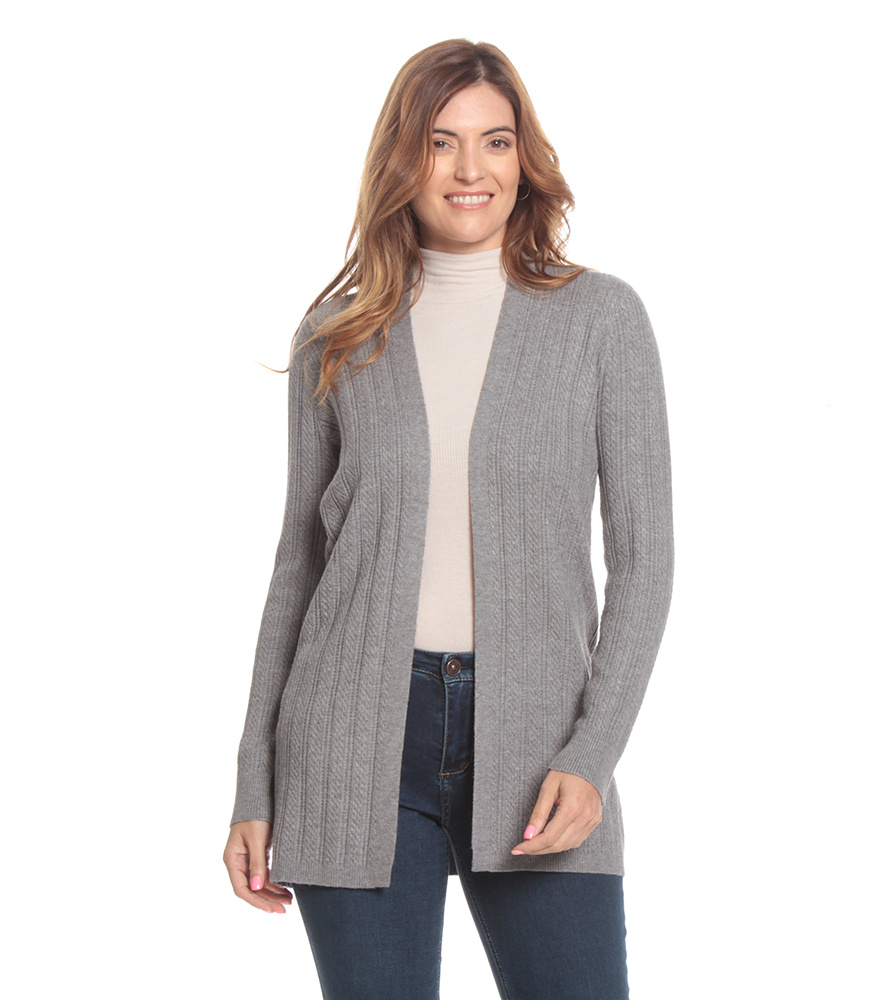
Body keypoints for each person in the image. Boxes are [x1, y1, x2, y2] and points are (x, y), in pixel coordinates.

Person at [222, 37, 674, 1000]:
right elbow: (299, 564)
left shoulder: (601, 321)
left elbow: (645, 563)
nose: (472, 169)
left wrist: (591, 754)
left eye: (496, 141)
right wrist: (253, 781)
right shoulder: (338, 334)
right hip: (352, 742)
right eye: (441, 142)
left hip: (539, 741)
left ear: (525, 158)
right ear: (403, 159)